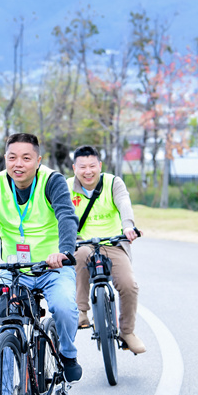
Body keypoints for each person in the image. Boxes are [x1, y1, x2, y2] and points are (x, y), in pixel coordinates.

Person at [0, 133, 83, 382]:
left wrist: (65, 252)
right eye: (12, 157)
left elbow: (67, 216)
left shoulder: (51, 181)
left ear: (38, 161)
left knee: (65, 307)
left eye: (26, 158)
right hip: (15, 272)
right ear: (5, 159)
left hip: (53, 268)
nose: (18, 164)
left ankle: (67, 353)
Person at [68, 145, 146, 354]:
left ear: (99, 166)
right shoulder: (67, 187)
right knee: (80, 257)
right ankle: (82, 312)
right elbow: (61, 214)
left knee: (129, 285)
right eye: (82, 167)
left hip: (113, 243)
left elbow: (124, 203)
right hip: (83, 244)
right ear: (74, 168)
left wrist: (128, 226)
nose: (88, 171)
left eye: (92, 166)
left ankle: (127, 332)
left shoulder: (113, 183)